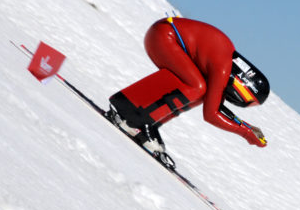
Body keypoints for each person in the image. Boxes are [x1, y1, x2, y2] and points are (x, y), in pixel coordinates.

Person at [106, 16, 270, 155]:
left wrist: (246, 126)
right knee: (197, 86)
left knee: (200, 91)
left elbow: (214, 106)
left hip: (163, 34)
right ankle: (133, 118)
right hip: (165, 35)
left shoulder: (226, 63)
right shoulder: (223, 68)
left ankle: (144, 118)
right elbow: (211, 114)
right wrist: (246, 132)